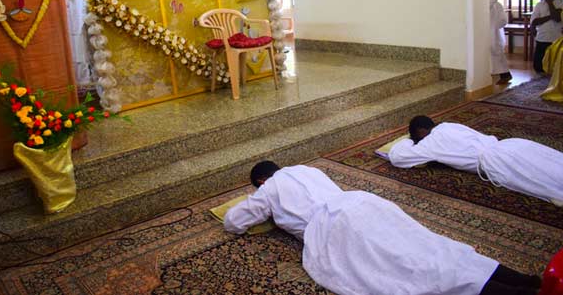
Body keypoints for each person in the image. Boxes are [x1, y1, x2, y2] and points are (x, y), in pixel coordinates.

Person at [225, 161, 542, 295]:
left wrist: (257, 202)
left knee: (409, 268)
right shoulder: (307, 168)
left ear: (261, 181)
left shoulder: (268, 189)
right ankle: (521, 281)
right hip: (363, 202)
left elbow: (233, 222)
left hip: (337, 225)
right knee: (431, 246)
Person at [389, 115, 563, 205]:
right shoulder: (449, 125)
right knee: (548, 162)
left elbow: (397, 157)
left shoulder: (429, 144)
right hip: (510, 144)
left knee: (539, 177)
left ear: (421, 132)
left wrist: (408, 140)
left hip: (497, 161)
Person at [530, 0, 563, 73]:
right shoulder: (540, 4)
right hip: (542, 38)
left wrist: (550, 3)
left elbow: (557, 18)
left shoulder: (561, 4)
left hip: (556, 40)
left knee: (555, 67)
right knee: (538, 67)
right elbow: (534, 21)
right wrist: (551, 16)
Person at [489, 0, 512, 84]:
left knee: (496, 52)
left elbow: (503, 21)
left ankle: (505, 74)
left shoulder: (495, 5)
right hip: (488, 31)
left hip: (493, 31)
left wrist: (495, 27)